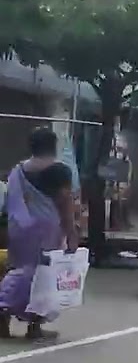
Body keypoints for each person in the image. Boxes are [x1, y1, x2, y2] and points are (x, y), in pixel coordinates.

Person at [0, 128, 79, 341]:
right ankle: (34, 327)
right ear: (53, 146)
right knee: (43, 277)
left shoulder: (18, 170)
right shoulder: (60, 171)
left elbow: (10, 204)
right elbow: (65, 204)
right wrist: (71, 233)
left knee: (18, 272)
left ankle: (3, 319)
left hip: (19, 229)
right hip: (46, 231)